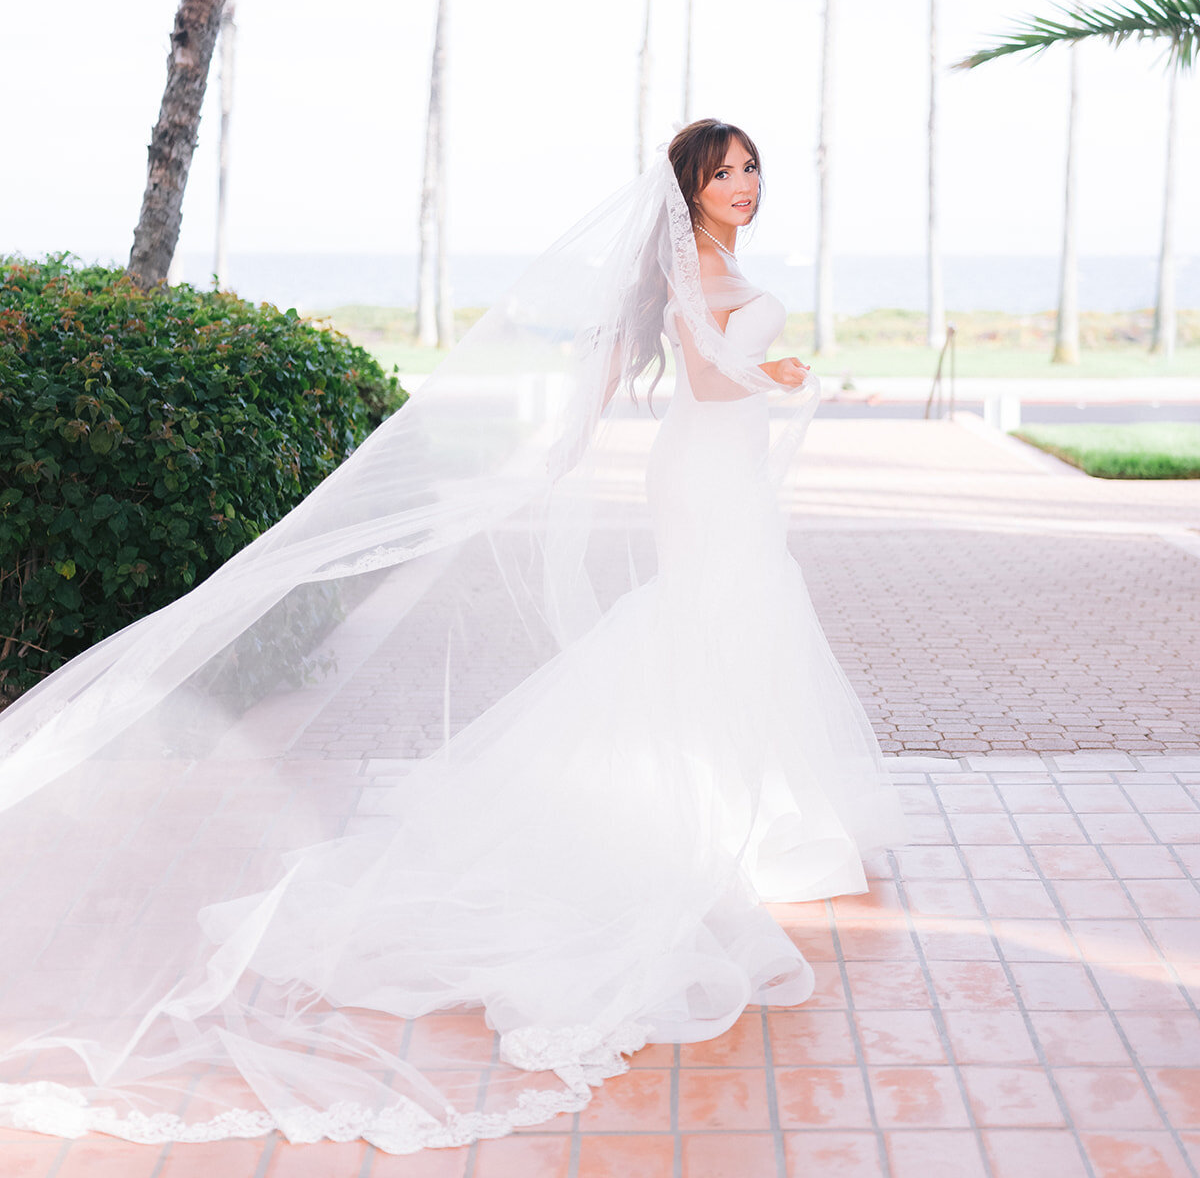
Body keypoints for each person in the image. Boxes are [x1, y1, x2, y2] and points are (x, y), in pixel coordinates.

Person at [0, 119, 906, 1156]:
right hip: (711, 478)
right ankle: (732, 815)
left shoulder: (680, 270)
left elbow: (622, 366)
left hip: (703, 477)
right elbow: (707, 383)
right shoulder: (704, 275)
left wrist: (565, 449)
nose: (743, 184)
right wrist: (787, 375)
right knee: (725, 614)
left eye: (750, 167)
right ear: (687, 189)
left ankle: (751, 803)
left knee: (724, 616)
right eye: (722, 172)